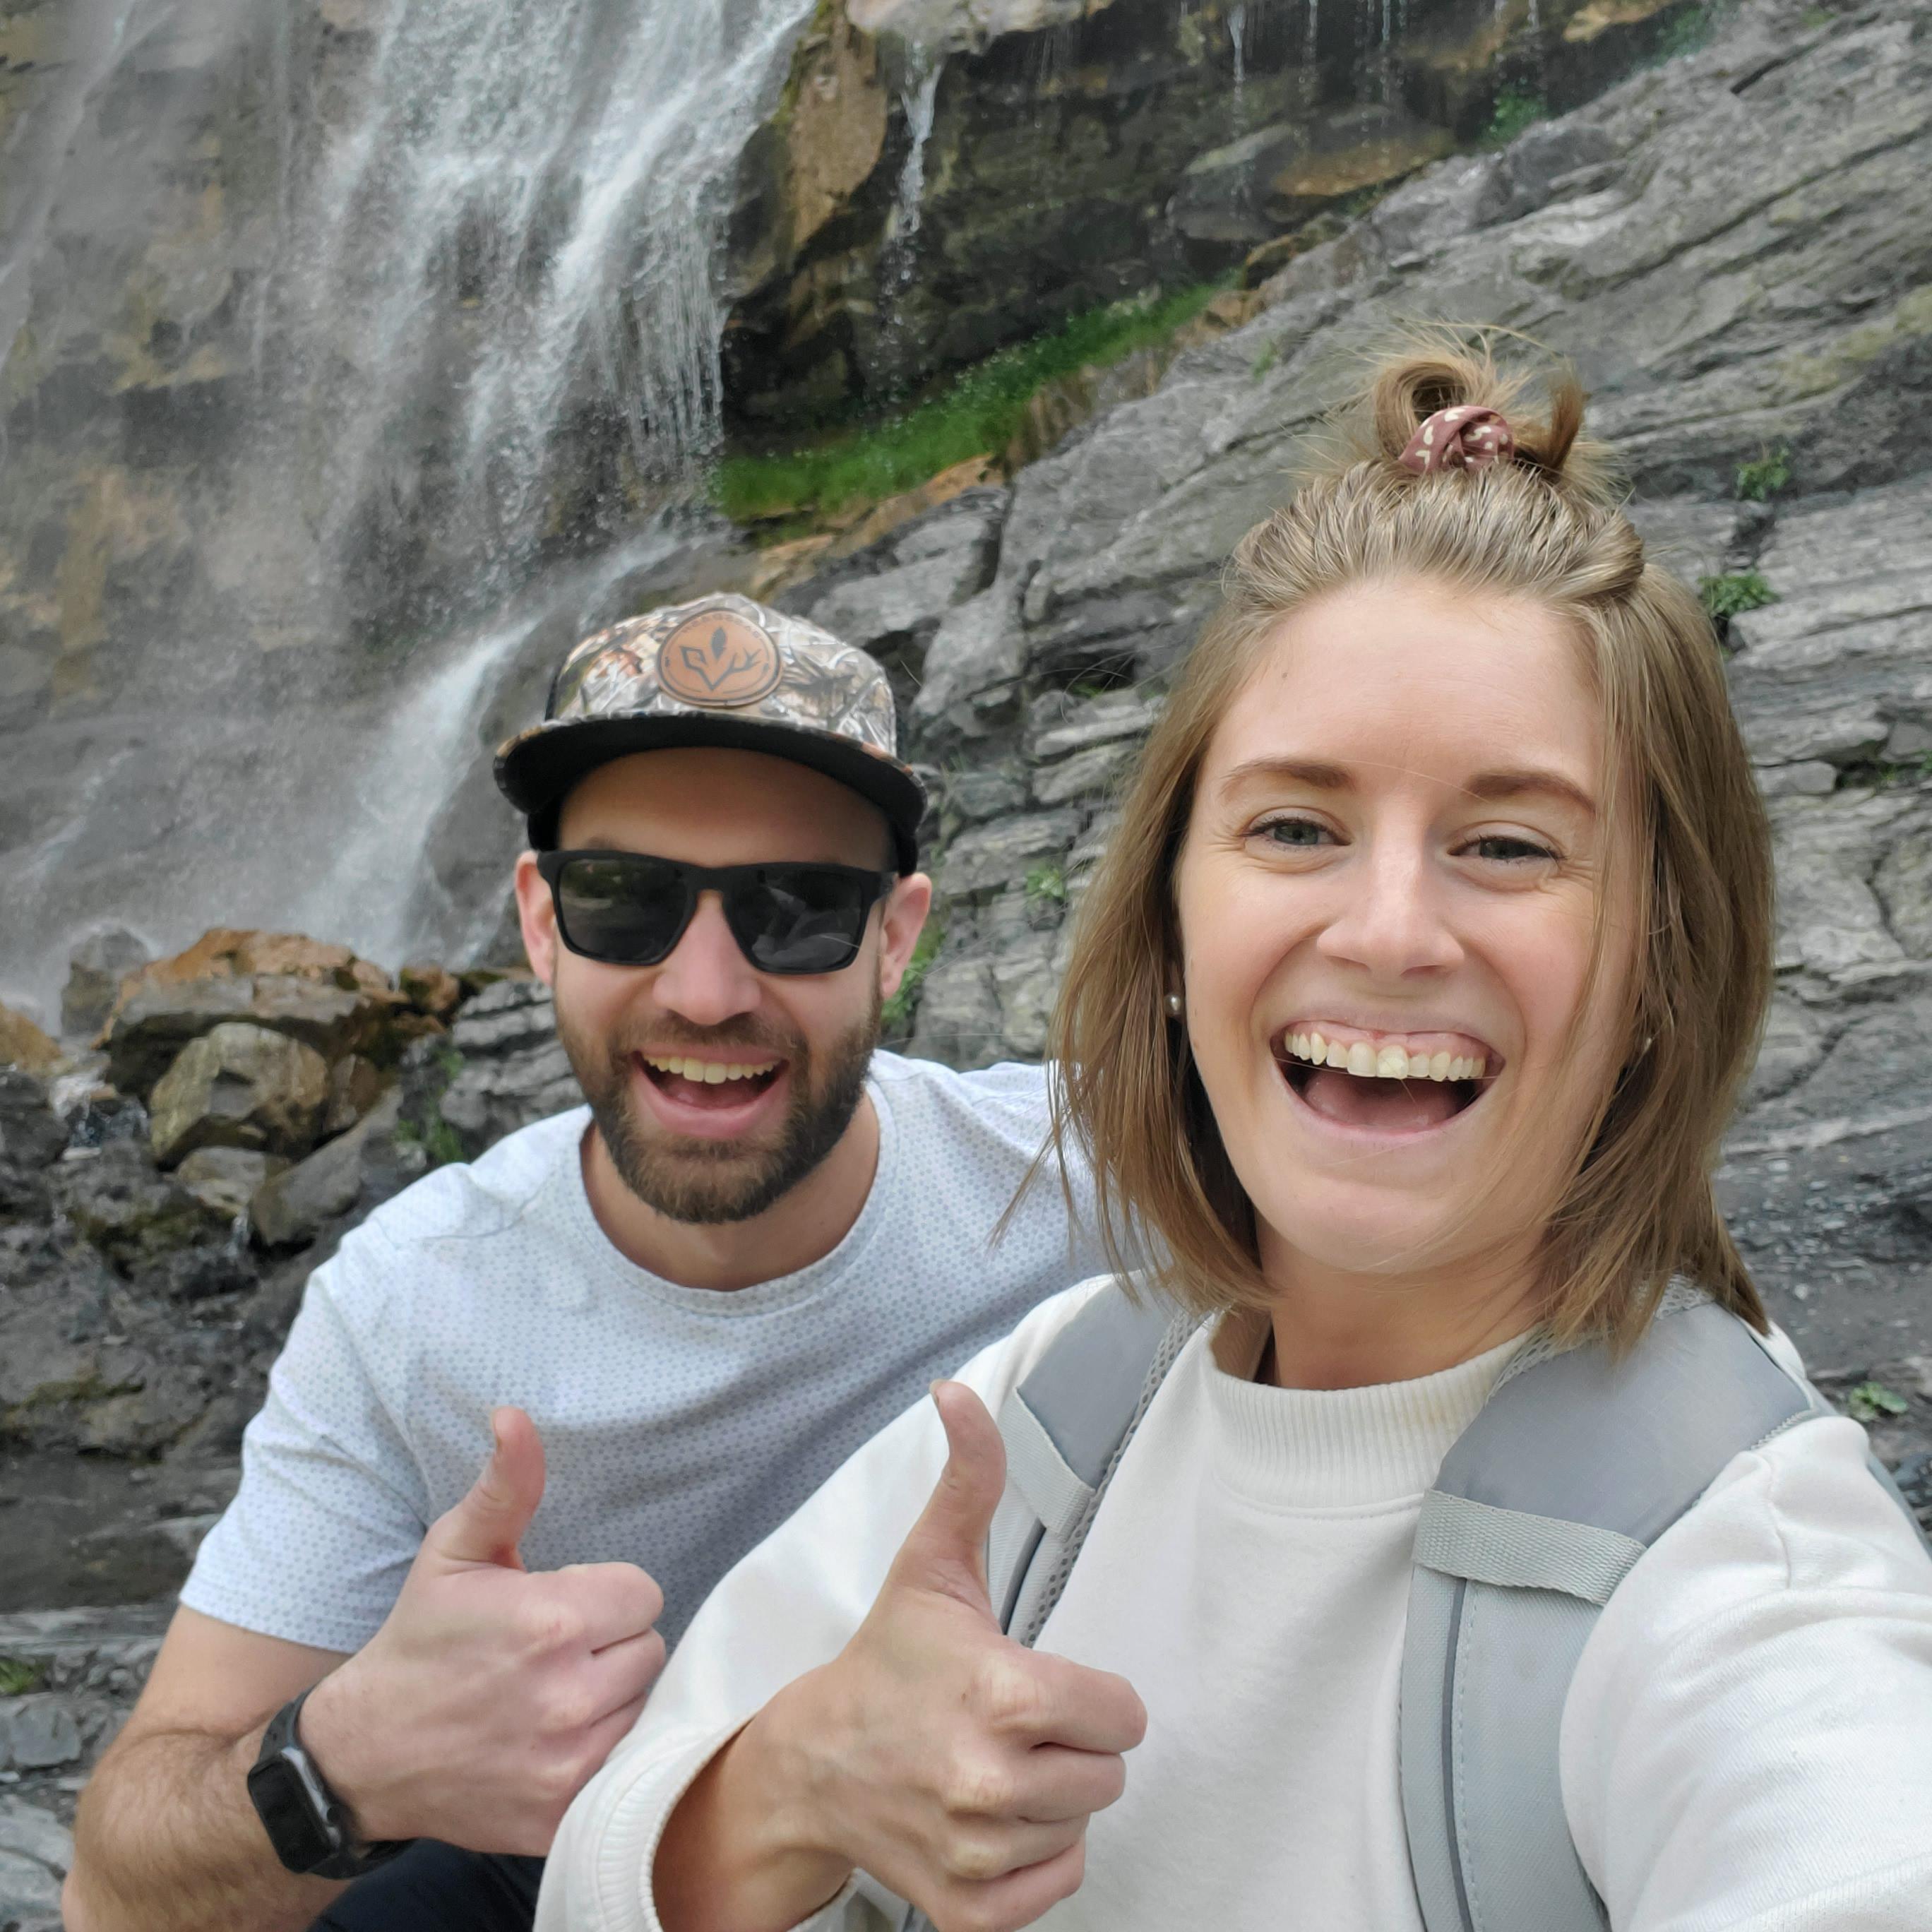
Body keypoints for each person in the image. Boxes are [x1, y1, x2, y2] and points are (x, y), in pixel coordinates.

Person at [534, 345, 1932, 1932]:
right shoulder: (1068, 1400)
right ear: (1174, 925)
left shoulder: (1746, 1564)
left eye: (1509, 843)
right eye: (1295, 828)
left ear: (1666, 968)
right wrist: (792, 1783)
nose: (1390, 929)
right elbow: (594, 1881)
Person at [63, 595, 1108, 1932]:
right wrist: (344, 1765)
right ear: (541, 923)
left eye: (799, 909)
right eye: (626, 903)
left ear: (896, 937)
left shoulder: (1088, 1175)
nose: (707, 989)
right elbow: (114, 1890)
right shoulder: (407, 1310)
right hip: (566, 1870)